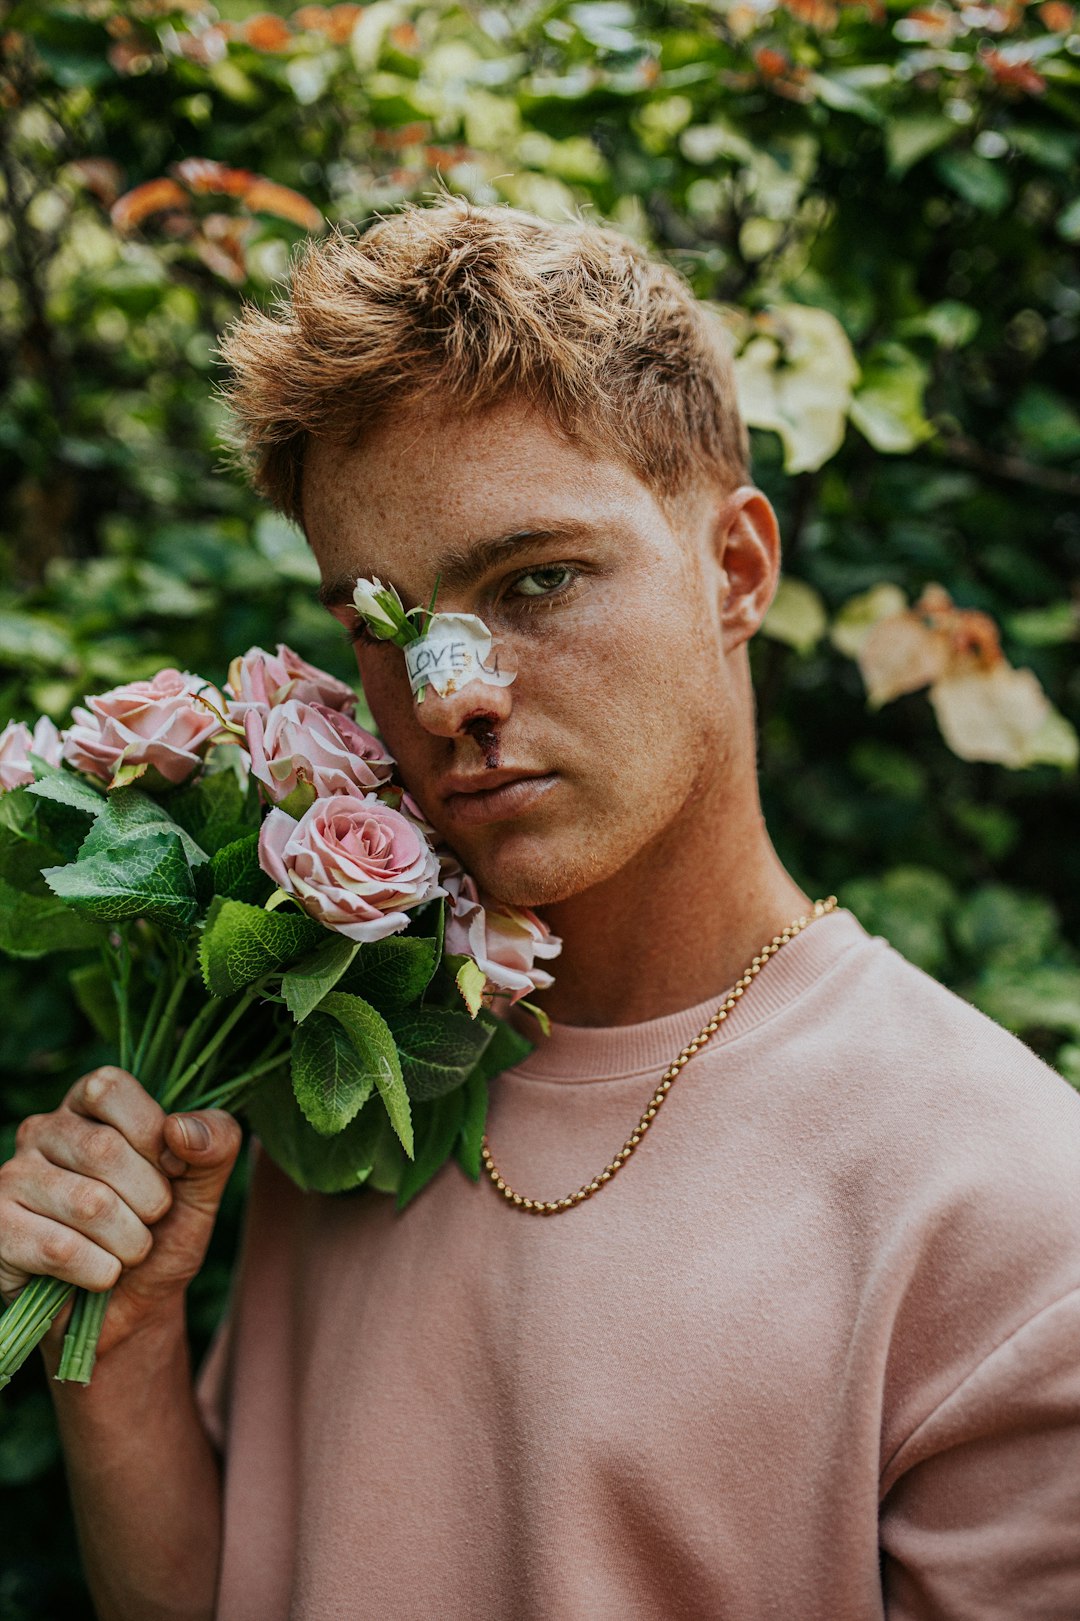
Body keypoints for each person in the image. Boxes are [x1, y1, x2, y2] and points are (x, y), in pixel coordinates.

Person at [1, 198, 1078, 1621]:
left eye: (537, 580)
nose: (450, 692)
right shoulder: (341, 1061)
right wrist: (122, 1343)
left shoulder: (1003, 1215)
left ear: (738, 570)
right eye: (385, 622)